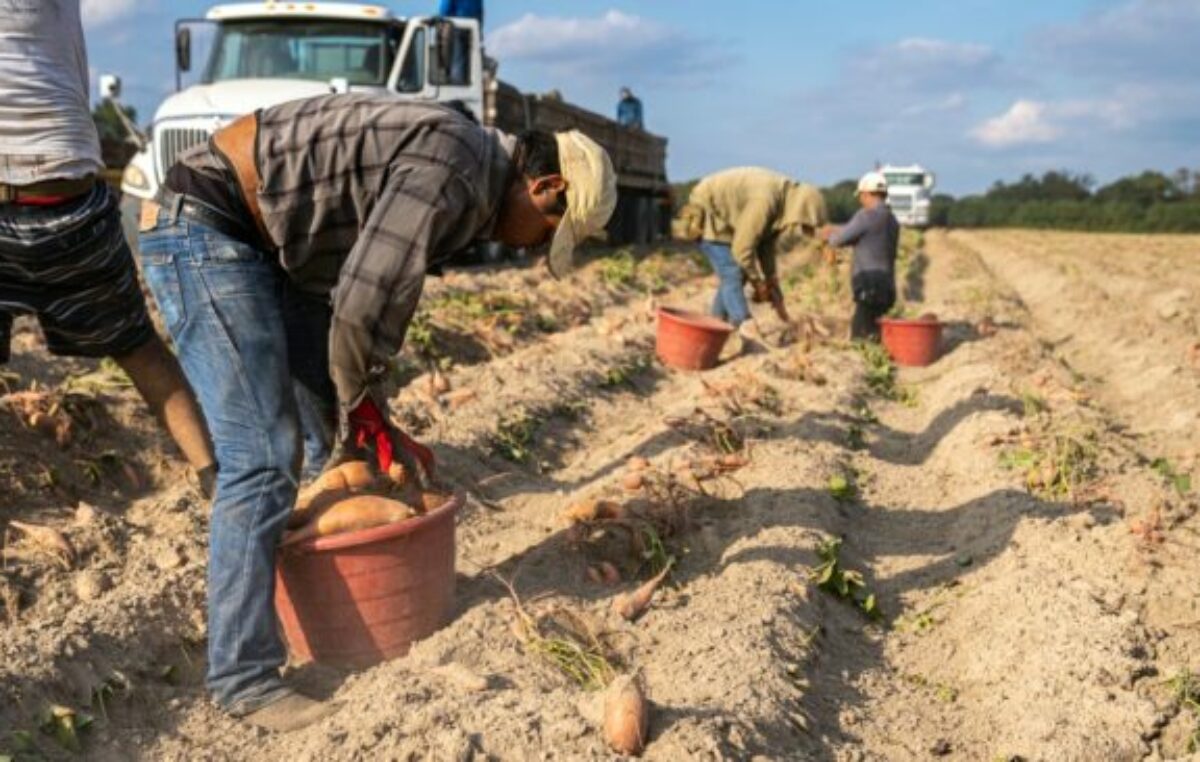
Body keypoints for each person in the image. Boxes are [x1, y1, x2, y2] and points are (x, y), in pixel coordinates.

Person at [138, 93, 616, 731]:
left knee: (342, 441)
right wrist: (361, 397)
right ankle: (242, 677)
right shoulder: (458, 167)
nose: (535, 249)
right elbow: (366, 299)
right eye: (549, 233)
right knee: (264, 457)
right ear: (544, 186)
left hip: (276, 253)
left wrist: (367, 416)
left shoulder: (467, 167)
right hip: (210, 227)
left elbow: (359, 297)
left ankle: (338, 610)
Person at [0, 1, 215, 493]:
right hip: (66, 196)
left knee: (139, 348)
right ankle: (216, 479)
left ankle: (217, 479)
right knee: (139, 349)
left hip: (57, 197)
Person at [673, 167, 827, 346]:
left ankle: (714, 327)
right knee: (733, 273)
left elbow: (765, 244)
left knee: (736, 275)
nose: (799, 226)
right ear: (800, 209)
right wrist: (758, 282)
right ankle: (746, 328)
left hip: (726, 221)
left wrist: (771, 279)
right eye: (802, 222)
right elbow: (742, 250)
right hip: (710, 215)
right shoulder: (765, 201)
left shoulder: (782, 202)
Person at [821, 171, 900, 341]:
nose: (860, 200)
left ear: (866, 194)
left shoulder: (866, 215)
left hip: (869, 284)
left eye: (861, 196)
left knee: (860, 334)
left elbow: (838, 240)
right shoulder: (891, 219)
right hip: (887, 284)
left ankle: (867, 364)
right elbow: (868, 237)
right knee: (878, 332)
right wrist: (840, 230)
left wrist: (829, 235)